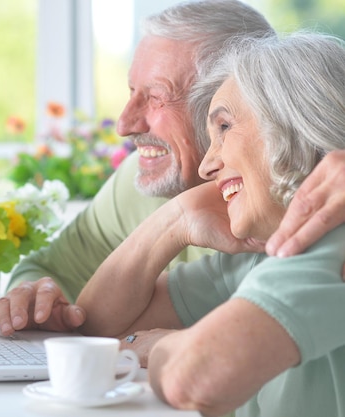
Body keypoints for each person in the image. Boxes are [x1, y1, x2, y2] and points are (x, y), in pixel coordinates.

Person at [0, 0, 345, 340]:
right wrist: (36, 298)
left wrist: (175, 348)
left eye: (156, 96)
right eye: (131, 92)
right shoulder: (142, 181)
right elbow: (60, 280)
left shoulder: (313, 223)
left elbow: (198, 371)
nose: (124, 125)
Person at [77, 32, 345, 417]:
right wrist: (176, 220)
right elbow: (94, 330)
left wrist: (164, 346)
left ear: (291, 120)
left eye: (223, 127)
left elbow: (193, 380)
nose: (207, 165)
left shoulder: (329, 243)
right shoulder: (258, 255)